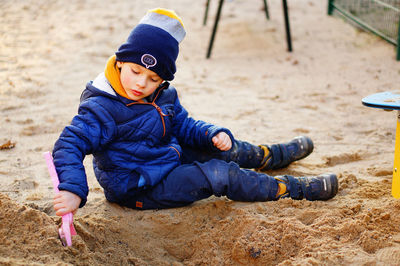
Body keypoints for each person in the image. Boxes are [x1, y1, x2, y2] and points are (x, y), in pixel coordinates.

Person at [52, 8, 338, 216]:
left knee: (224, 150)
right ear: (119, 64)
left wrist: (213, 134)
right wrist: (72, 189)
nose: (141, 83)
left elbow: (183, 124)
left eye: (152, 78)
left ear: (163, 80)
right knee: (218, 173)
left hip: (165, 157)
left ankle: (269, 156)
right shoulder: (101, 107)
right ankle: (290, 188)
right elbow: (68, 144)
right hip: (139, 187)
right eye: (135, 71)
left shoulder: (163, 95)